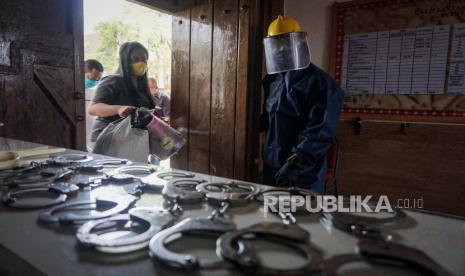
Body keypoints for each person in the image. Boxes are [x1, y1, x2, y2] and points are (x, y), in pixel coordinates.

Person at [261, 16, 344, 194]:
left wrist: (296, 162)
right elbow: (270, 119)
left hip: (303, 172)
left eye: (285, 43)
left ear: (298, 43)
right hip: (271, 166)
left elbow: (320, 131)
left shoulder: (321, 83)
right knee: (271, 216)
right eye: (275, 44)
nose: (280, 49)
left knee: (304, 218)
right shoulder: (273, 80)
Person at [88, 42, 155, 143]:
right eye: (135, 59)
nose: (141, 62)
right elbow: (93, 108)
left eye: (144, 59)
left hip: (132, 140)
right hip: (109, 139)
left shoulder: (142, 86)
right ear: (125, 60)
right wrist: (119, 109)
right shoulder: (113, 80)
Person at [84, 59, 104, 150]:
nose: (94, 82)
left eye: (98, 80)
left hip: (91, 135)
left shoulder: (97, 92)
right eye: (91, 78)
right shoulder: (69, 89)